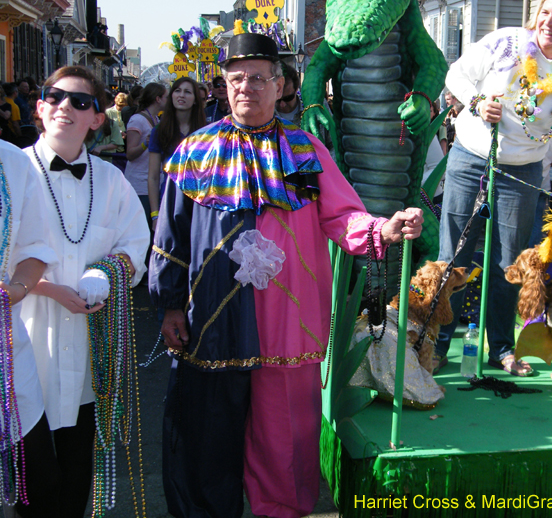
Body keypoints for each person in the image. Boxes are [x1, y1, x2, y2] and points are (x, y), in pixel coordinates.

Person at [149, 33, 423, 518]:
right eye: (237, 79)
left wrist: (384, 228)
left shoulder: (302, 153)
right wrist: (170, 303)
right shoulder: (195, 153)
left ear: (280, 86)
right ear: (222, 87)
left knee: (285, 440)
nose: (247, 88)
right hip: (214, 318)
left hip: (288, 322)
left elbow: (340, 217)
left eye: (258, 78)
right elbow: (170, 235)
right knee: (210, 436)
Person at [433, 0, 552, 377]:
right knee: (454, 254)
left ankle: (501, 348)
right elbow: (456, 73)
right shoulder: (507, 42)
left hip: (521, 172)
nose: (549, 22)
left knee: (509, 264)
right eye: (545, 12)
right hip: (471, 157)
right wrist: (476, 102)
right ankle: (435, 346)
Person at [20, 66, 149, 518]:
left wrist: (107, 272)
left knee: (77, 477)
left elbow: (136, 244)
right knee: (34, 483)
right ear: (39, 108)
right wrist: (48, 288)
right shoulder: (11, 173)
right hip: (27, 348)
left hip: (89, 354)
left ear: (97, 118)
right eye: (54, 97)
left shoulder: (111, 181)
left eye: (79, 101)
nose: (64, 108)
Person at [0, 140, 58, 517]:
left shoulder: (12, 162)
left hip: (6, 352)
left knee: (37, 484)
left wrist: (15, 290)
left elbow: (36, 247)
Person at [147, 77, 206, 232]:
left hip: (199, 206)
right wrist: (155, 215)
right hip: (168, 203)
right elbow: (153, 176)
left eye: (187, 92)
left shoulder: (206, 132)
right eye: (177, 91)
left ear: (195, 100)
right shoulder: (159, 131)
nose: (181, 95)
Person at [125, 82, 167, 223]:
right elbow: (130, 154)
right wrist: (145, 144)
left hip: (153, 184)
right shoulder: (137, 120)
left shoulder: (156, 119)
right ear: (158, 99)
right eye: (166, 97)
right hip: (139, 186)